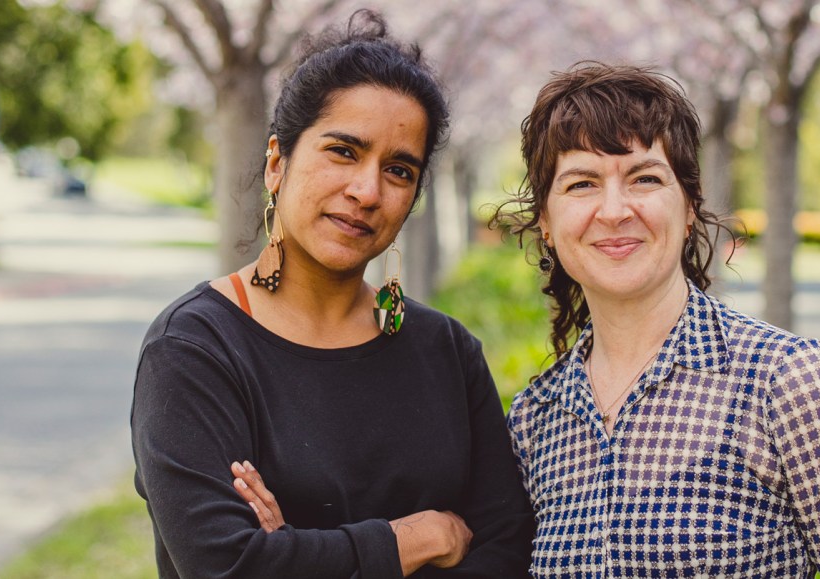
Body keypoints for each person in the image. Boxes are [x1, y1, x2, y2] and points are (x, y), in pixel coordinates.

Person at [130, 11, 534, 578]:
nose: (367, 191)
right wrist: (417, 539)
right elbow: (230, 566)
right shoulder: (195, 350)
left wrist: (296, 552)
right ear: (277, 164)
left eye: (398, 170)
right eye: (343, 151)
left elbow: (508, 548)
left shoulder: (446, 351)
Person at [495, 63, 820, 577]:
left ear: (689, 204)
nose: (614, 209)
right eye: (581, 183)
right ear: (548, 225)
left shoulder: (786, 383)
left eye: (644, 178)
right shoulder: (535, 420)